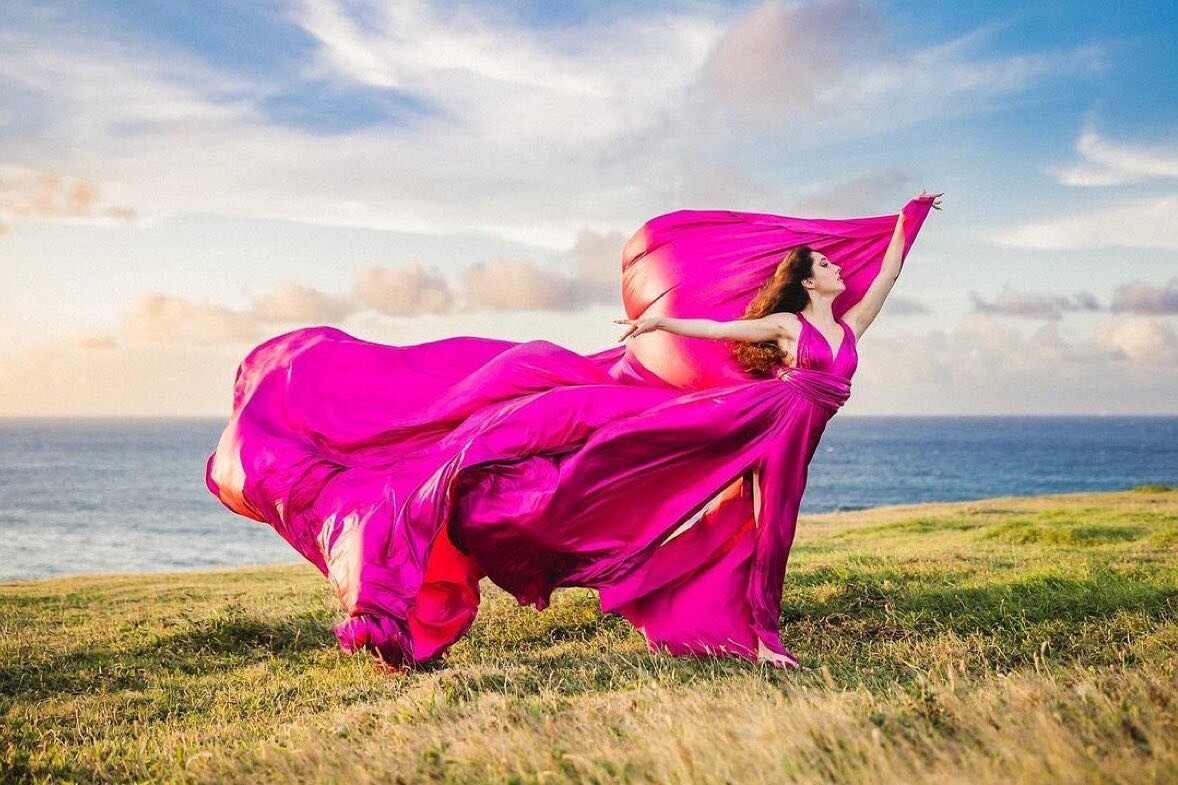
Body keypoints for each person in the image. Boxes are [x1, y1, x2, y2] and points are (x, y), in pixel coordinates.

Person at [205, 192, 943, 673]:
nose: (835, 268)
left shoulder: (846, 328)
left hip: (795, 432)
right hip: (760, 420)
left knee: (759, 527)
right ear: (807, 280)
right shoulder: (786, 323)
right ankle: (760, 636)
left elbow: (880, 284)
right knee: (707, 497)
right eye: (822, 264)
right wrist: (657, 322)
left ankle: (734, 620)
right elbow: (717, 326)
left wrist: (904, 230)